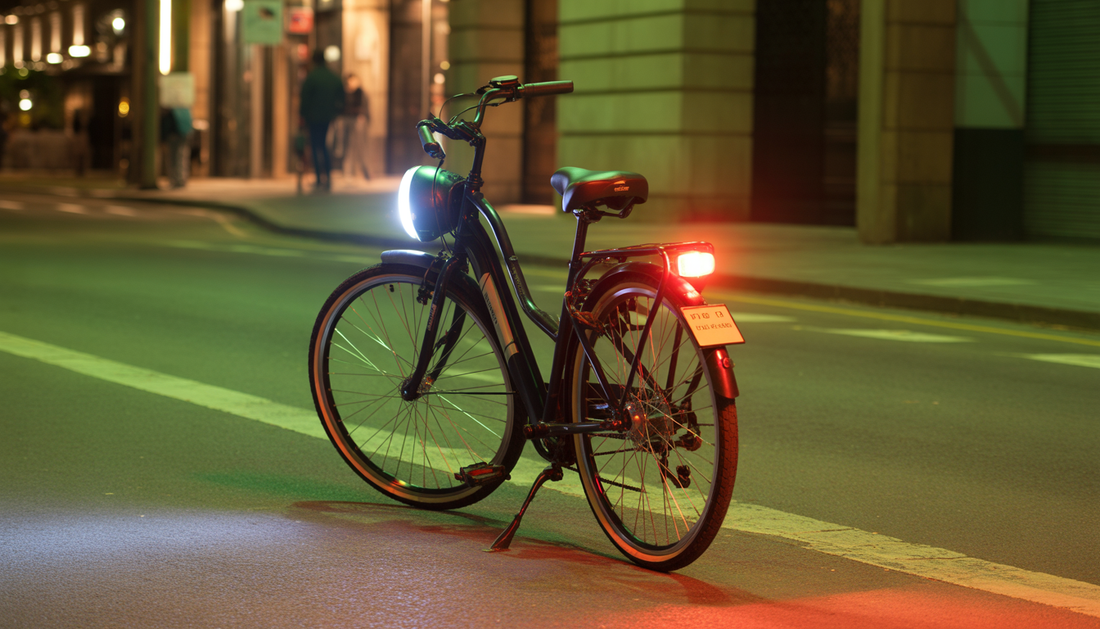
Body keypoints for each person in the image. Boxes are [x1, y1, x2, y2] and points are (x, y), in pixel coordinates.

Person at [299, 49, 345, 192]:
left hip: (313, 117)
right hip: (327, 117)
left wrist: (303, 116)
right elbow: (341, 96)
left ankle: (319, 178)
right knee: (324, 146)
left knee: (315, 146)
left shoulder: (312, 78)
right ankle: (328, 178)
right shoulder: (333, 77)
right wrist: (336, 111)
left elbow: (305, 99)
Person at [342, 73, 371, 180]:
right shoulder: (345, 93)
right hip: (348, 122)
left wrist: (363, 116)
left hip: (359, 122)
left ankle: (364, 170)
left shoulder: (361, 93)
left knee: (360, 147)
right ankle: (349, 172)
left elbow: (365, 108)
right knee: (349, 147)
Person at [160, 106, 193, 188]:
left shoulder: (171, 110)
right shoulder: (185, 108)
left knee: (173, 158)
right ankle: (181, 179)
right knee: (182, 156)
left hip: (174, 134)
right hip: (184, 134)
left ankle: (176, 180)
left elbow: (168, 125)